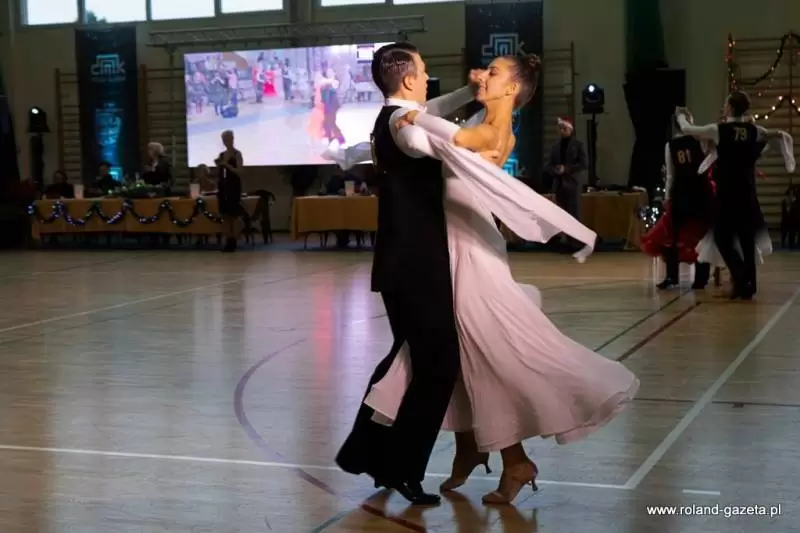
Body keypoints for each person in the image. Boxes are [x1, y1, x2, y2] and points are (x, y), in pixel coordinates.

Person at [329, 54, 637, 506]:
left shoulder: (488, 132)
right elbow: (431, 120)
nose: (482, 75)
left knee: (475, 355)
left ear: (510, 89)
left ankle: (492, 455)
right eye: (486, 69)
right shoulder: (473, 118)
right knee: (459, 356)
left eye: (493, 73)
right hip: (448, 249)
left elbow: (447, 134)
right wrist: (451, 101)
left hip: (467, 251)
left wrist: (417, 117)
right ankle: (484, 452)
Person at [334, 42, 480, 506]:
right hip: (415, 266)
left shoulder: (396, 115)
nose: (428, 75)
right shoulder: (402, 123)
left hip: (403, 263)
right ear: (410, 78)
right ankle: (401, 467)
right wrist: (468, 130)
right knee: (439, 365)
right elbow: (424, 135)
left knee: (407, 360)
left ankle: (365, 452)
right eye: (424, 68)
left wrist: (471, 93)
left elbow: (433, 111)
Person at [676, 92, 795, 299]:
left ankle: (740, 278)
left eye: (726, 104)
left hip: (727, 193)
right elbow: (772, 137)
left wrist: (681, 116)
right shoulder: (755, 131)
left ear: (730, 108)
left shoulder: (718, 130)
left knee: (722, 237)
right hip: (747, 192)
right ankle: (749, 286)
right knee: (746, 239)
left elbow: (688, 130)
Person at [640, 113, 714, 289]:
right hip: (700, 192)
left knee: (671, 236)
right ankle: (701, 278)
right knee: (700, 235)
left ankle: (672, 276)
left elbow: (670, 175)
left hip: (681, 192)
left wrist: (667, 197)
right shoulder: (700, 140)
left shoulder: (671, 145)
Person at [215, 130, 244, 253]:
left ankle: (234, 240)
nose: (225, 141)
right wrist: (218, 165)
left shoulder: (237, 154)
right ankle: (228, 240)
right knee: (225, 216)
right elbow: (219, 173)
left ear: (232, 139)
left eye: (227, 139)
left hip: (234, 187)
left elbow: (240, 171)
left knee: (233, 215)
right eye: (223, 139)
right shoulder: (221, 155)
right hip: (223, 187)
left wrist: (227, 165)